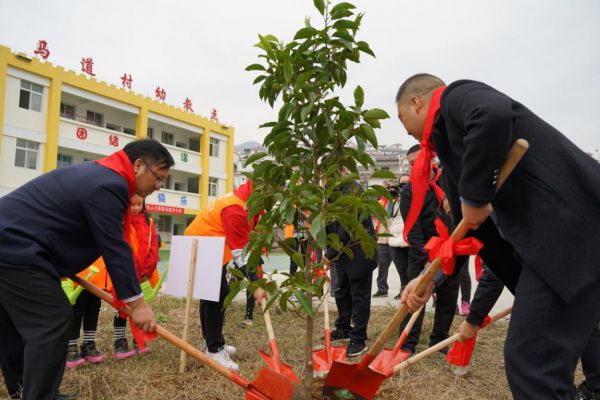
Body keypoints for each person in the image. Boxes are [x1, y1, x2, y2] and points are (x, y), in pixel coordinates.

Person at [396, 73, 600, 399]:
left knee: (532, 362)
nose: (404, 128)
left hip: (570, 233)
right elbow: (462, 233)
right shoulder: (452, 156)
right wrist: (426, 279)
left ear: (416, 102)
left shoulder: (456, 98)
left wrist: (474, 197)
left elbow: (492, 113)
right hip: (554, 251)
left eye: (401, 117)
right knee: (535, 363)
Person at [0, 139, 173, 400]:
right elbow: (114, 245)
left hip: (13, 243)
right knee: (52, 319)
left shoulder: (100, 175)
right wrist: (137, 304)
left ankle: (23, 389)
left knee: (14, 324)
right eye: (158, 178)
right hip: (14, 247)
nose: (158, 186)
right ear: (138, 165)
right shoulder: (109, 184)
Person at [185, 180, 267, 372]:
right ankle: (214, 349)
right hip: (204, 245)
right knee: (218, 296)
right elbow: (240, 253)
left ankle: (209, 342)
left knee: (212, 295)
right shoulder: (235, 208)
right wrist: (256, 283)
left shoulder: (244, 199)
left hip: (211, 245)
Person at [398, 145, 461, 355]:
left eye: (418, 161)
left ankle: (438, 340)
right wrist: (427, 261)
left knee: (448, 296)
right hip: (422, 253)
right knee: (414, 297)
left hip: (451, 250)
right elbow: (412, 229)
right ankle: (407, 344)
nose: (415, 167)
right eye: (411, 164)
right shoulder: (409, 191)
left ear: (431, 159)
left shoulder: (449, 181)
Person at [323, 182, 378, 357]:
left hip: (359, 252)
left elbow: (346, 228)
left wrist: (330, 254)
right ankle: (344, 327)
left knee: (359, 296)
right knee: (342, 292)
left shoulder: (351, 191)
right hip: (342, 253)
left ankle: (358, 338)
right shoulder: (328, 191)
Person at [112, 194, 159, 358]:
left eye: (140, 204)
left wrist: (147, 271)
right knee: (122, 308)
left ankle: (139, 341)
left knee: (140, 309)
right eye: (132, 204)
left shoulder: (149, 222)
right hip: (123, 272)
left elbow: (153, 248)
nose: (136, 208)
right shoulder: (119, 222)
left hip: (141, 273)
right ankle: (119, 341)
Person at [372, 179, 410, 299]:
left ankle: (403, 290)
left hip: (397, 238)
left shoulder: (402, 200)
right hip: (383, 238)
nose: (390, 191)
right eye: (386, 188)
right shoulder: (381, 202)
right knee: (382, 265)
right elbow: (373, 214)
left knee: (402, 268)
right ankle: (382, 289)